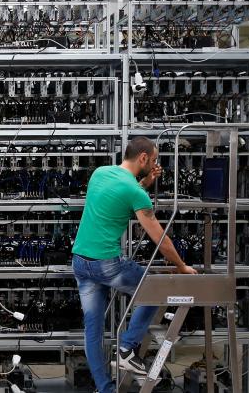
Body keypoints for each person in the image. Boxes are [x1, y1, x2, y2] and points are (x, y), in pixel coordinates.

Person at [71, 136, 197, 393]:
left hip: (80, 262)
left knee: (93, 329)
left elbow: (117, 198)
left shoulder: (100, 173)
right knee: (155, 289)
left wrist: (145, 184)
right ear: (143, 158)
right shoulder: (135, 192)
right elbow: (160, 239)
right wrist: (182, 266)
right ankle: (127, 348)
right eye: (153, 160)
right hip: (106, 264)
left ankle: (105, 389)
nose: (153, 164)